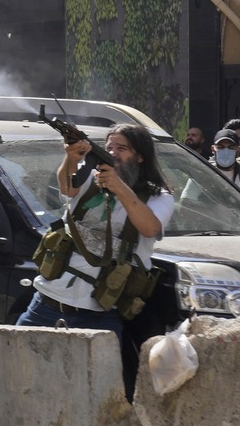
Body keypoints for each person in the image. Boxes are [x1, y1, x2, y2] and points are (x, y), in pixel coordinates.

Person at [16, 124, 175, 344]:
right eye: (109, 147)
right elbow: (67, 189)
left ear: (140, 156)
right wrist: (71, 158)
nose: (113, 153)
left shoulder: (159, 197)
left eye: (122, 148)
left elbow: (150, 228)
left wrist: (119, 187)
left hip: (100, 314)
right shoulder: (92, 178)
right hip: (48, 303)